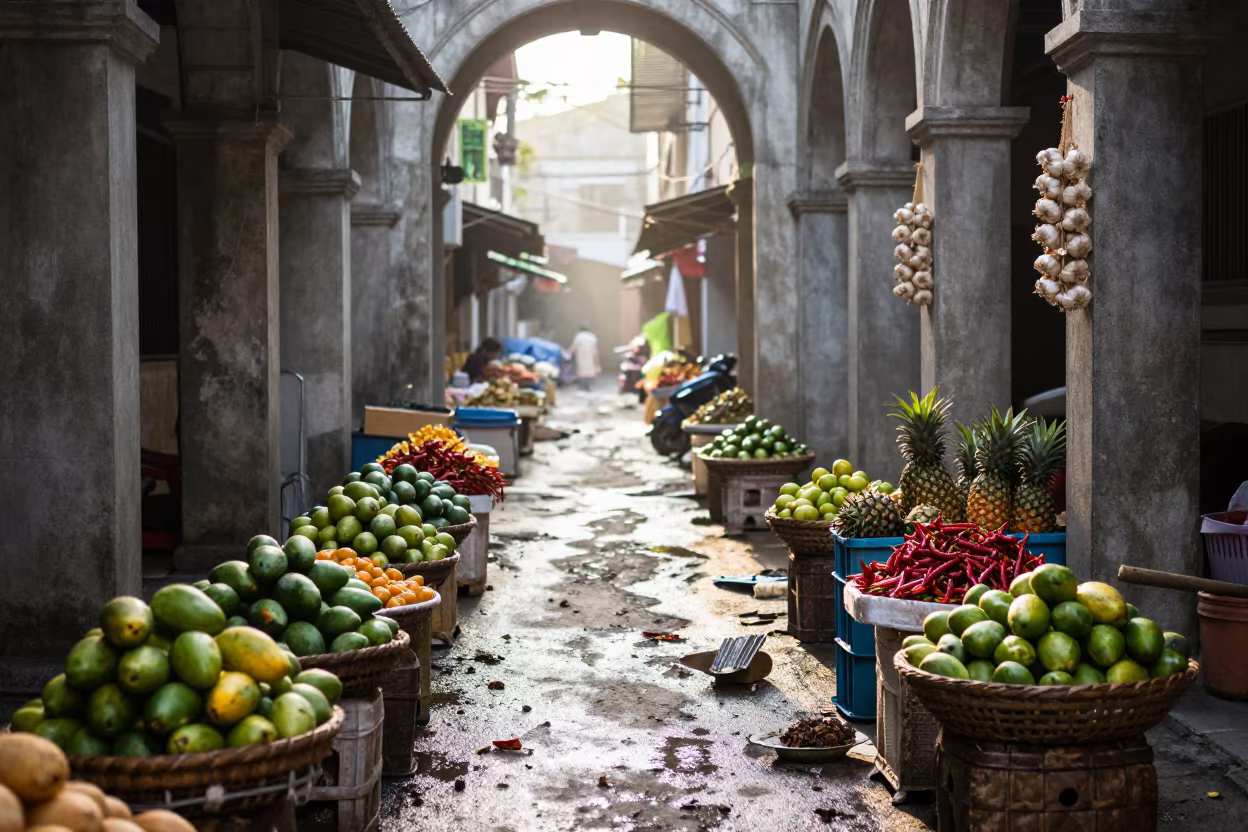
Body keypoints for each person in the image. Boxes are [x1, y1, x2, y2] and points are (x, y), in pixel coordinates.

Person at [569, 324, 600, 392]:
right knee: (589, 369)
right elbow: (595, 349)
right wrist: (596, 359)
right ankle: (587, 385)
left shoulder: (579, 336)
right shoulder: (592, 337)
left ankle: (582, 385)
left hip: (581, 355)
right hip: (590, 355)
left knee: (582, 369)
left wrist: (569, 353)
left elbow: (574, 347)